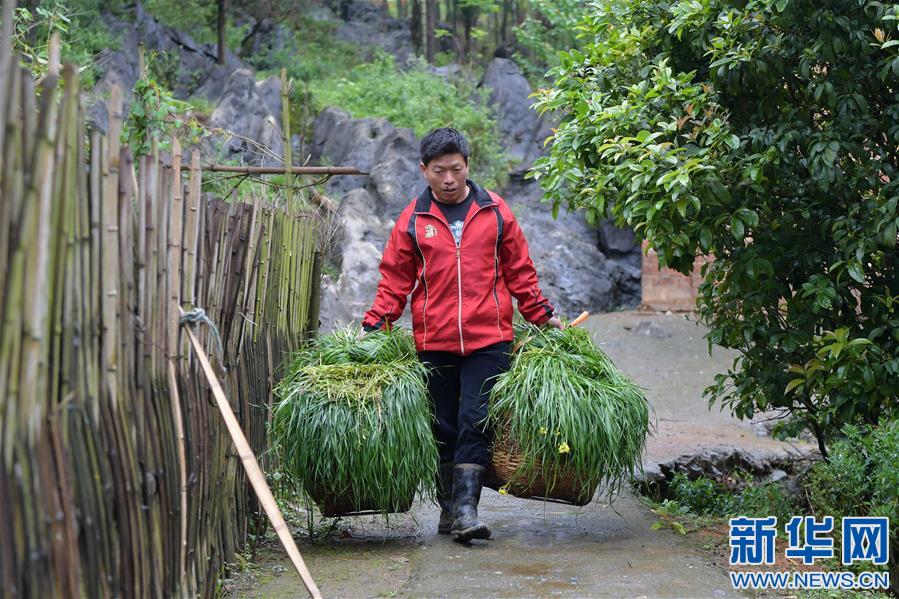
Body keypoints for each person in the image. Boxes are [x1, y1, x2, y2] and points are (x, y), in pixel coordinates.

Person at [362, 127, 562, 542]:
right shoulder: (414, 220)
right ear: (424, 170)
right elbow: (395, 281)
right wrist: (372, 326)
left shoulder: (495, 212)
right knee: (442, 425)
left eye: (456, 169)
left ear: (468, 166)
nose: (449, 179)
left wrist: (542, 316)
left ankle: (468, 511)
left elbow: (520, 272)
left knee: (475, 420)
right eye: (439, 171)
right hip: (434, 341)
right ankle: (449, 510)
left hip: (489, 338)